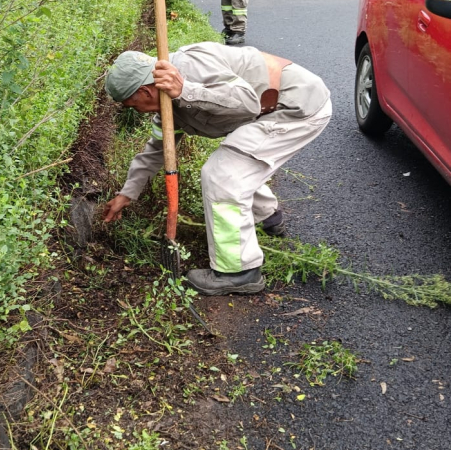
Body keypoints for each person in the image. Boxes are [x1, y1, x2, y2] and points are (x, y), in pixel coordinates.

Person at [102, 43, 331, 296]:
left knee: (223, 174)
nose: (138, 111)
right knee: (237, 163)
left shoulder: (189, 68)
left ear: (145, 91)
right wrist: (127, 193)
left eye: (133, 106)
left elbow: (247, 102)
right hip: (266, 113)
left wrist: (185, 91)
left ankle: (239, 272)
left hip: (295, 107)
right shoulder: (167, 109)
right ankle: (269, 217)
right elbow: (156, 151)